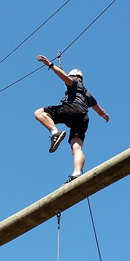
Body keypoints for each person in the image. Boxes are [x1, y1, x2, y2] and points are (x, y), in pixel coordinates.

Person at [34, 55, 110, 183]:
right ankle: (76, 173)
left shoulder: (74, 83)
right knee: (76, 147)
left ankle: (54, 132)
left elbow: (64, 76)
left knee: (39, 112)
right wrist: (105, 117)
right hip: (83, 118)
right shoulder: (88, 94)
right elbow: (100, 111)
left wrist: (50, 64)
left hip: (72, 109)